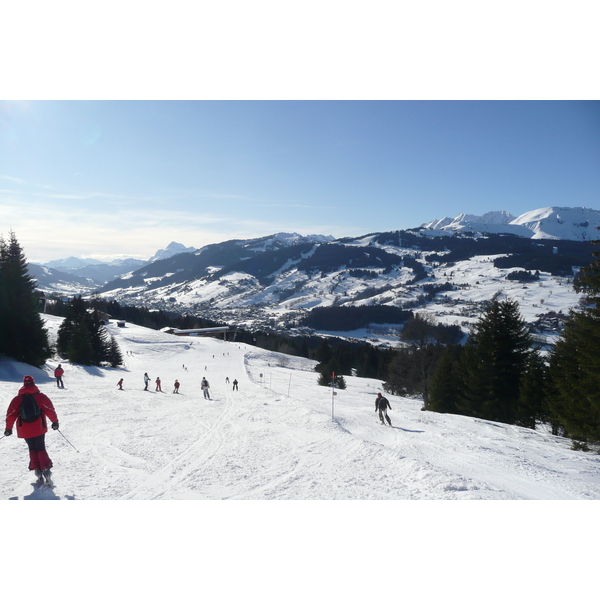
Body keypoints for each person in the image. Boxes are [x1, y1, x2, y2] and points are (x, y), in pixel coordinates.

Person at [4, 375, 59, 485]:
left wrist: (8, 429)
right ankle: (46, 470)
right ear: (33, 383)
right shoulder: (40, 397)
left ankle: (38, 471)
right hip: (39, 428)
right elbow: (49, 409)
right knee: (40, 447)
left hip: (24, 430)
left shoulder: (17, 399)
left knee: (32, 448)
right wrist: (55, 422)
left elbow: (10, 414)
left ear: (24, 384)